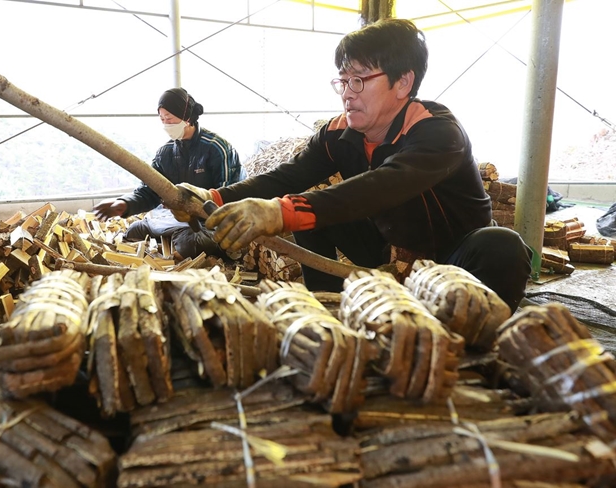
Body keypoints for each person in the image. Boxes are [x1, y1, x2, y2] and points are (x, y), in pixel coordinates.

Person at [175, 18, 532, 311]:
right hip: (389, 246)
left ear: (403, 82)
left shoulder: (437, 132)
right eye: (343, 80)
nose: (347, 91)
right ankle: (327, 309)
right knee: (305, 206)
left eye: (359, 80)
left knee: (502, 245)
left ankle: (476, 339)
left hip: (453, 255)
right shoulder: (339, 133)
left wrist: (278, 212)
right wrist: (214, 197)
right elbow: (290, 174)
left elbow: (382, 186)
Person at [93, 87, 244, 260]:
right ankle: (174, 240)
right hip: (174, 218)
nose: (166, 125)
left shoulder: (216, 149)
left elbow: (227, 197)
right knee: (134, 230)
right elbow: (149, 191)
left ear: (187, 118)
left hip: (206, 221)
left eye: (170, 119)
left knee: (193, 243)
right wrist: (125, 204)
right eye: (162, 119)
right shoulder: (165, 153)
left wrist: (198, 212)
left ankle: (180, 247)